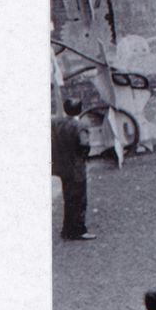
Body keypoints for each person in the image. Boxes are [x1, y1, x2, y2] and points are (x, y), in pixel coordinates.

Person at [52, 97, 94, 240]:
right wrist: (84, 156)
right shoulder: (79, 126)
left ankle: (67, 229)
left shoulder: (57, 123)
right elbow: (84, 145)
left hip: (62, 166)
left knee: (68, 198)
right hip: (76, 168)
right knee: (79, 200)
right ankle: (78, 230)